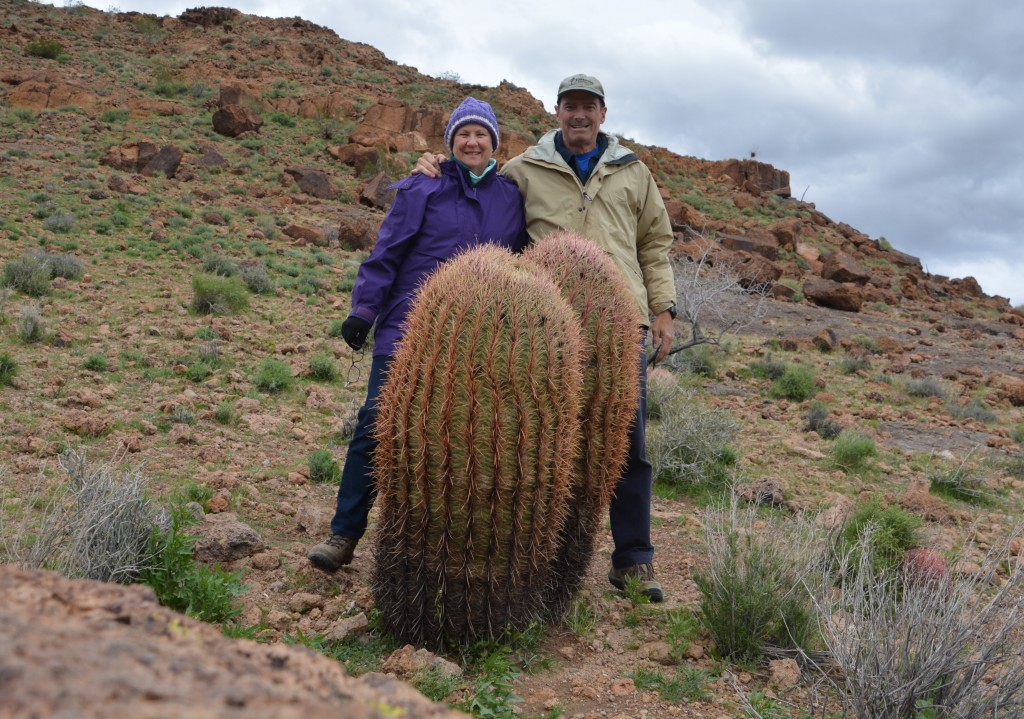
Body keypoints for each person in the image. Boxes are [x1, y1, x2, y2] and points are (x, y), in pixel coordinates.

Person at [414, 74, 675, 601]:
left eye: (589, 107)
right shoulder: (525, 168)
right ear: (557, 111)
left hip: (619, 323)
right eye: (570, 106)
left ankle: (633, 558)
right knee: (537, 445)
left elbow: (655, 242)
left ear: (603, 113)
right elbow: (477, 185)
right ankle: (540, 559)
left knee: (623, 443)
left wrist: (663, 310)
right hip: (544, 331)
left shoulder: (633, 170)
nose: (579, 115)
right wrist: (437, 167)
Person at [308, 96, 527, 573]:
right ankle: (344, 533)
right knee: (376, 424)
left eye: (481, 135)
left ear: (494, 144)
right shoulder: (421, 187)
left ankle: (443, 549)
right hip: (409, 330)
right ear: (450, 142)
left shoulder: (511, 198)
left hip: (480, 341)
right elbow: (386, 253)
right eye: (463, 134)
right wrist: (364, 310)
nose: (472, 142)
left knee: (462, 438)